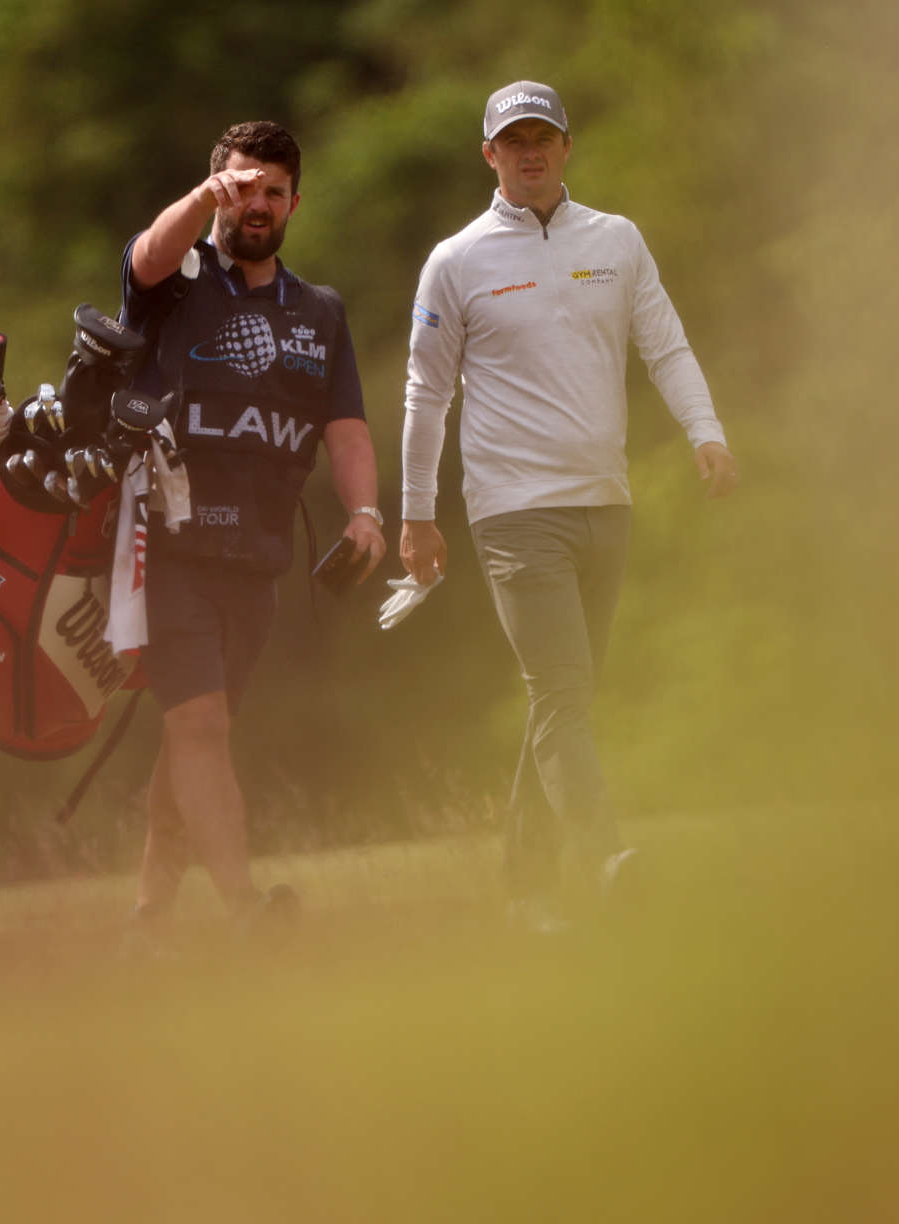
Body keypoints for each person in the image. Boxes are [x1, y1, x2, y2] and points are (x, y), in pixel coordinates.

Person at [399, 81, 739, 933]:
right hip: (513, 510)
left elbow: (664, 343)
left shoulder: (615, 241)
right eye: (512, 140)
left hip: (604, 500)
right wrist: (415, 513)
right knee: (561, 688)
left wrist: (705, 430)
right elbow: (425, 395)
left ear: (566, 144)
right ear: (489, 156)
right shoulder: (458, 259)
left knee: (566, 699)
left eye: (542, 136)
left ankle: (524, 889)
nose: (529, 151)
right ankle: (606, 858)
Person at [119, 121, 386, 936]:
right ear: (219, 190)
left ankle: (148, 913)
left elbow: (346, 430)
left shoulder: (319, 312)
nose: (257, 204)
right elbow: (146, 257)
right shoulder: (179, 280)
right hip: (170, 546)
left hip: (258, 558)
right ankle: (246, 909)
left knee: (194, 734)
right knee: (199, 725)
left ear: (294, 202)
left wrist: (366, 513)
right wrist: (204, 198)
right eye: (242, 186)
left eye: (273, 190)